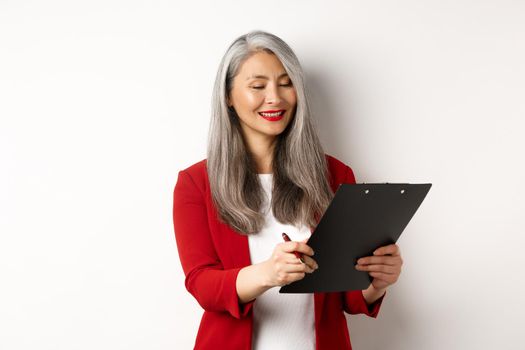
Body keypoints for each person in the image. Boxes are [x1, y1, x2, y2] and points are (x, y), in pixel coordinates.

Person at [172, 30, 403, 350]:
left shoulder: (335, 175)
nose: (275, 98)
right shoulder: (197, 182)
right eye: (257, 86)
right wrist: (269, 273)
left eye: (285, 83)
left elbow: (348, 296)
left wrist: (376, 281)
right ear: (228, 96)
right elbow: (202, 285)